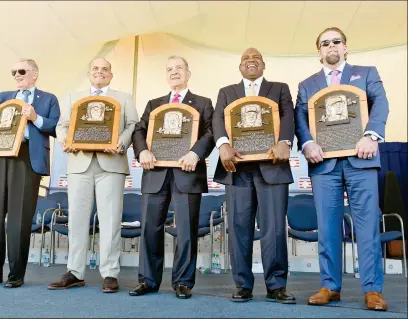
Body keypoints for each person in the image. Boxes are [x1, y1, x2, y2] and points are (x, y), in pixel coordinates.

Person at [294, 27, 389, 311]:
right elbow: (300, 117)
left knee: (367, 226)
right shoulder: (307, 84)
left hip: (362, 159)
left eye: (336, 41)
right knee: (327, 226)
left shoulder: (367, 72)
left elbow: (381, 103)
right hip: (324, 165)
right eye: (325, 43)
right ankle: (330, 286)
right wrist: (308, 142)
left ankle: (373, 290)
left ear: (345, 47)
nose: (331, 46)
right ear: (319, 51)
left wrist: (372, 135)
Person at [212, 48, 296, 303]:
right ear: (240, 67)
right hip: (237, 169)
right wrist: (223, 144)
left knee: (274, 229)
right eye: (246, 59)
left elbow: (288, 115)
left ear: (263, 65)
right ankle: (242, 284)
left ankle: (276, 285)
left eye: (256, 58)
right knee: (238, 228)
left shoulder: (279, 88)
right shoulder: (227, 92)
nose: (251, 61)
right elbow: (217, 119)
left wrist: (285, 141)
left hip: (272, 166)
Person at [48, 57, 139, 293]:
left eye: (105, 69)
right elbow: (62, 125)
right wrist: (65, 139)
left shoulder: (124, 98)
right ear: (89, 73)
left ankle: (109, 272)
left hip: (112, 163)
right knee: (77, 219)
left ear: (111, 74)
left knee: (110, 220)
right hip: (79, 164)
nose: (100, 72)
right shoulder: (72, 97)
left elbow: (133, 125)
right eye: (96, 69)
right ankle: (75, 272)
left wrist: (121, 142)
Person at [129, 56, 215, 299]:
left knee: (186, 229)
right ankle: (147, 280)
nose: (174, 72)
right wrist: (142, 150)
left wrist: (195, 153)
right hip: (155, 173)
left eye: (179, 68)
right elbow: (139, 130)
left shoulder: (203, 102)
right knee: (149, 227)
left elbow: (210, 131)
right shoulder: (153, 104)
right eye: (169, 69)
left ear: (189, 73)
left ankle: (183, 281)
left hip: (187, 173)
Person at [0, 59, 60, 288]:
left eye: (21, 71)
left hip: (27, 159)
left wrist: (35, 118)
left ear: (34, 74)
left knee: (19, 220)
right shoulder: (1, 97)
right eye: (14, 71)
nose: (17, 75)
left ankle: (16, 275)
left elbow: (56, 127)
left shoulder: (48, 99)